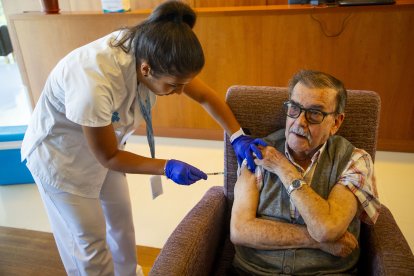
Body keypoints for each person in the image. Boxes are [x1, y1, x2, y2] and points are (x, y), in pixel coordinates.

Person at [21, 1, 265, 275]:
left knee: (121, 225)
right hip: (62, 160)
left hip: (106, 148)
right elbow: (109, 156)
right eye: (173, 86)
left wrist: (237, 137)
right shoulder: (94, 81)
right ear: (146, 69)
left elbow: (206, 96)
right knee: (89, 243)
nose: (179, 92)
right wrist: (167, 166)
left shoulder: (155, 51)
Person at [230, 69, 381, 275]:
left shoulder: (355, 160)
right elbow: (240, 231)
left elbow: (327, 229)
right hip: (255, 272)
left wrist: (283, 168)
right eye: (294, 108)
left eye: (315, 113)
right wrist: (318, 243)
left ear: (336, 123)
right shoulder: (257, 152)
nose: (299, 121)